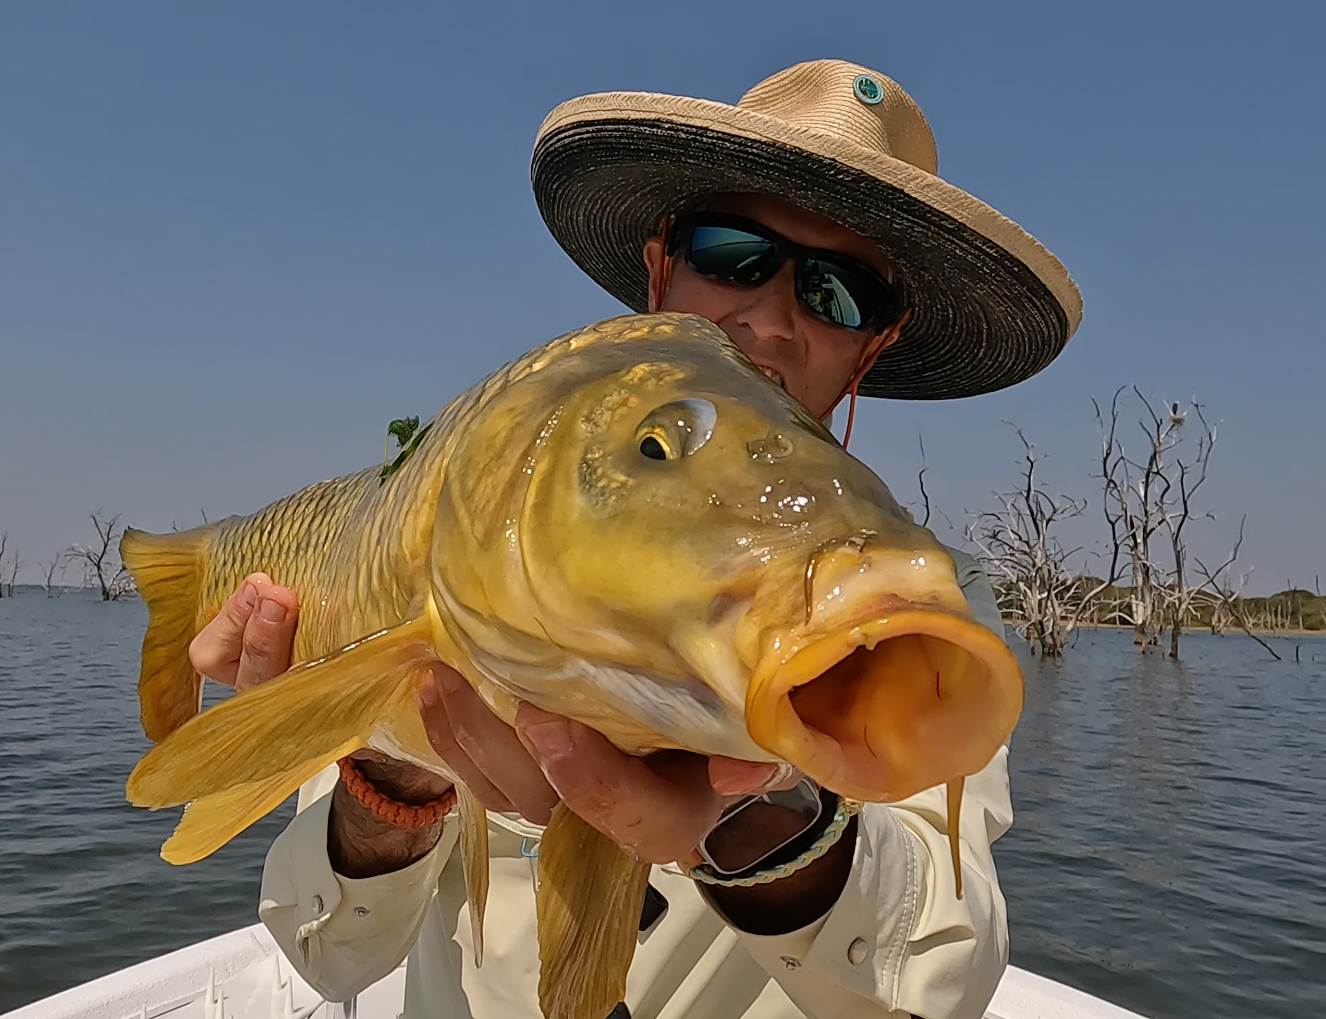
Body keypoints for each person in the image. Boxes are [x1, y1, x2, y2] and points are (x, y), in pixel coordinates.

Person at [191, 60, 1080, 1019]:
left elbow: (945, 973)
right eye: (734, 253)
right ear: (661, 269)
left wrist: (758, 819)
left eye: (837, 290)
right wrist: (396, 770)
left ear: (873, 343)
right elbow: (327, 953)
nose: (771, 317)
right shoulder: (488, 501)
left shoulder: (921, 612)